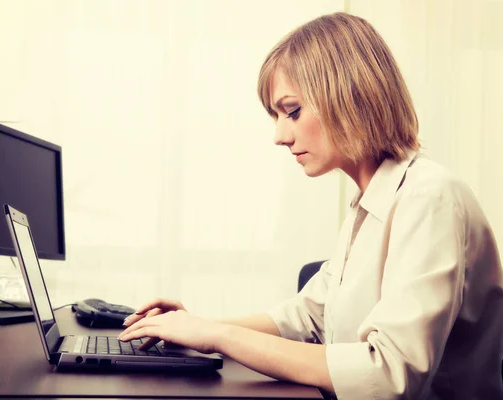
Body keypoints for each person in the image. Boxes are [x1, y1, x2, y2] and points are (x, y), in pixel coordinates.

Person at [119, 12, 503, 400]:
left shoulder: (430, 198)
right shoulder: (367, 204)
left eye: (293, 111)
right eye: (277, 116)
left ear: (352, 95)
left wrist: (217, 335)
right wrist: (194, 327)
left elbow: (388, 376)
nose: (280, 136)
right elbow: (309, 317)